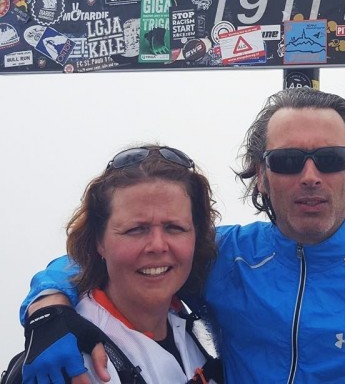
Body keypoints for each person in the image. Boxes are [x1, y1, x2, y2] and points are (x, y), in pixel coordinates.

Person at [20, 88, 345, 383]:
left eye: (331, 159)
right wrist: (47, 308)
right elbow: (118, 257)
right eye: (287, 161)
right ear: (260, 176)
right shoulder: (227, 256)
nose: (311, 176)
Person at [19, 145, 222, 384]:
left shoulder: (195, 328)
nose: (158, 245)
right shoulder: (75, 364)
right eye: (136, 229)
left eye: (175, 228)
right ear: (98, 242)